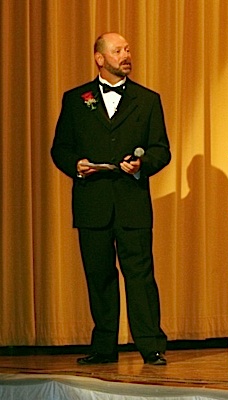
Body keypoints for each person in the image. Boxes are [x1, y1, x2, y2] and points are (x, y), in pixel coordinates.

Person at [51, 32, 171, 366]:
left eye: (127, 49)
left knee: (140, 276)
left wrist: (141, 165)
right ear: (100, 58)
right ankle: (104, 346)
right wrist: (76, 165)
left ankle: (151, 345)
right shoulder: (76, 99)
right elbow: (60, 148)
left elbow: (161, 150)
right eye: (118, 50)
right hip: (92, 202)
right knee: (99, 275)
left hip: (132, 201)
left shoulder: (148, 100)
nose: (126, 55)